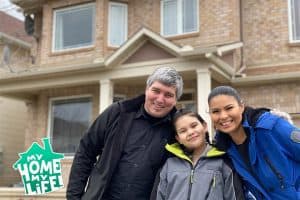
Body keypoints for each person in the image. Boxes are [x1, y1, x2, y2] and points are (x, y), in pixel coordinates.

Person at [66, 66, 183, 200]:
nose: (160, 99)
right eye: (156, 91)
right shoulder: (117, 113)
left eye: (168, 95)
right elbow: (85, 152)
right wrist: (74, 197)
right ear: (147, 89)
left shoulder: (178, 130)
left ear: (175, 100)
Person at [207, 85, 300, 200]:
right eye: (215, 111)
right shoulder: (224, 151)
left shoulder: (271, 127)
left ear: (241, 106)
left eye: (229, 108)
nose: (223, 116)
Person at [156, 109, 245, 200]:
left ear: (204, 126)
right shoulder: (169, 164)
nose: (190, 132)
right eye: (183, 131)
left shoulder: (223, 161)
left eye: (194, 126)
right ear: (178, 138)